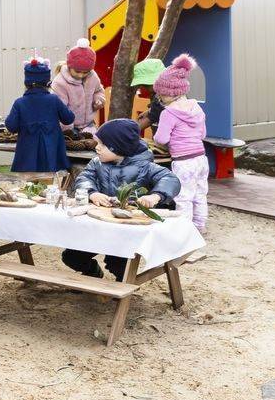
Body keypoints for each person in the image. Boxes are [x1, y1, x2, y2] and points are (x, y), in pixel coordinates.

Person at [60, 119, 181, 281]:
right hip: (99, 225)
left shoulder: (145, 166)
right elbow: (83, 178)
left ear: (118, 148)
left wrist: (155, 196)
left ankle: (122, 287)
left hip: (126, 231)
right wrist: (92, 193)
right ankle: (92, 273)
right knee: (71, 257)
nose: (97, 147)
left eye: (102, 145)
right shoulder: (97, 163)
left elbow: (170, 178)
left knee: (118, 264)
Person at [153, 55, 210, 233]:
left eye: (161, 94)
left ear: (172, 92)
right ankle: (199, 226)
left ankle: (184, 231)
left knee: (183, 196)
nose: (159, 98)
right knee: (200, 194)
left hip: (183, 160)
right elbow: (203, 133)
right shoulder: (196, 108)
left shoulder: (169, 113)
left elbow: (161, 139)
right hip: (201, 158)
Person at [5, 57, 75, 175]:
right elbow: (68, 119)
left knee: (28, 186)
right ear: (48, 83)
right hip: (51, 154)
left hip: (27, 155)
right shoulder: (54, 100)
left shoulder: (20, 103)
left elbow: (11, 126)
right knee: (51, 185)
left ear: (26, 83)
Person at [53, 40, 105, 132]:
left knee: (92, 144)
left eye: (85, 72)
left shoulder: (92, 77)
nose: (81, 75)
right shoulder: (60, 83)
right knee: (72, 145)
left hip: (89, 124)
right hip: (68, 126)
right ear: (69, 66)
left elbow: (98, 90)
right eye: (77, 71)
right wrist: (66, 127)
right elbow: (58, 107)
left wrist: (98, 100)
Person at [130, 58, 167, 145]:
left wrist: (128, 131)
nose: (143, 88)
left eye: (145, 85)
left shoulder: (163, 96)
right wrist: (149, 111)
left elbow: (151, 118)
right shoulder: (160, 93)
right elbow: (157, 111)